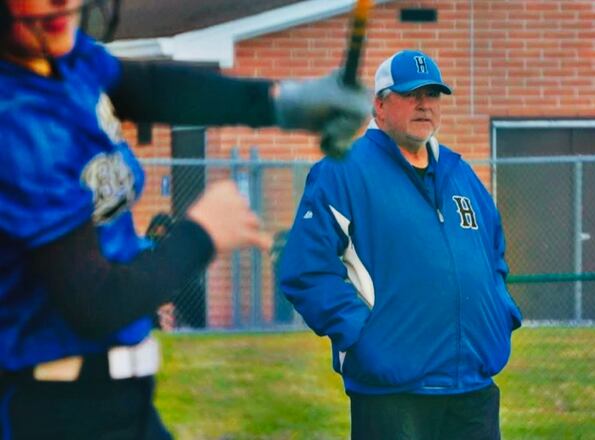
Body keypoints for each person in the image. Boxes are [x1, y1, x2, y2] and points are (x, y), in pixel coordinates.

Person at [0, 0, 370, 438]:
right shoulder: (16, 124)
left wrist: (280, 103)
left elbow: (146, 87)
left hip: (112, 404)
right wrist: (202, 233)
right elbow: (94, 303)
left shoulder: (61, 59)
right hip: (58, 414)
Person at [278, 49, 523, 440]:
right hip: (393, 390)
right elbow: (304, 271)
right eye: (411, 94)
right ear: (379, 104)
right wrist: (362, 336)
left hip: (471, 385)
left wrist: (500, 314)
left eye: (433, 95)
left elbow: (493, 253)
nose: (424, 105)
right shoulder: (344, 171)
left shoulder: (460, 174)